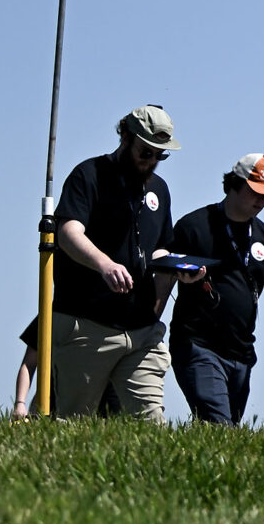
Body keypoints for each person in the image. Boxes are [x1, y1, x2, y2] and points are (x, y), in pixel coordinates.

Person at [50, 106, 196, 422]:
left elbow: (158, 250)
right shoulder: (88, 175)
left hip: (141, 329)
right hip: (87, 324)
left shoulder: (159, 190)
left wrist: (179, 268)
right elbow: (68, 233)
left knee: (150, 422)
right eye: (146, 151)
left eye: (161, 155)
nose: (152, 161)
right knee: (72, 423)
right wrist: (104, 264)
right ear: (125, 137)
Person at [167, 152, 264, 425]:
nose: (262, 200)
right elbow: (165, 277)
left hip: (242, 353)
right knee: (218, 426)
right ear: (234, 184)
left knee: (225, 435)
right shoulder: (193, 226)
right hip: (198, 345)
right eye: (256, 192)